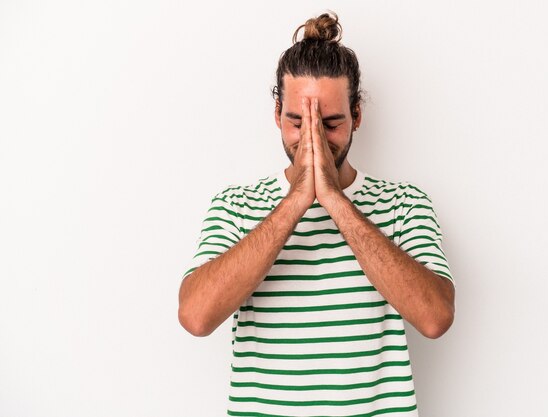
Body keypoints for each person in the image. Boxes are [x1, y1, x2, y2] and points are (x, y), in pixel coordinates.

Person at [178, 10, 455, 416]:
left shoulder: (405, 204)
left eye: (330, 123)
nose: (313, 138)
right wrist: (296, 201)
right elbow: (196, 317)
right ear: (277, 116)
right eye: (297, 122)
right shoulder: (235, 205)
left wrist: (335, 200)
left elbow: (435, 318)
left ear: (356, 116)